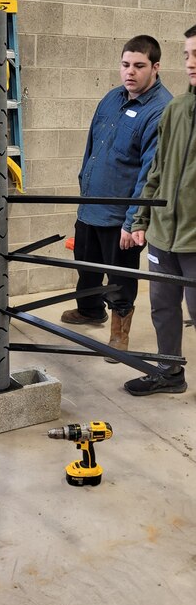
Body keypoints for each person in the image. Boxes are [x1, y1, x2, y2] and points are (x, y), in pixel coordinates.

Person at [61, 35, 172, 361]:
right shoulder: (112, 98)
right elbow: (91, 148)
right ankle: (91, 311)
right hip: (91, 206)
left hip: (121, 216)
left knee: (121, 277)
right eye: (125, 65)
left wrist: (133, 221)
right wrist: (84, 188)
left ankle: (119, 336)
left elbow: (151, 174)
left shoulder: (160, 110)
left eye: (139, 66)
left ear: (155, 67)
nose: (130, 72)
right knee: (86, 263)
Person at [124, 24, 196, 396]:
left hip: (195, 242)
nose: (190, 63)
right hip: (163, 235)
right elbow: (156, 169)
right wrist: (141, 217)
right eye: (186, 54)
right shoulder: (177, 109)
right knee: (162, 307)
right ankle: (169, 372)